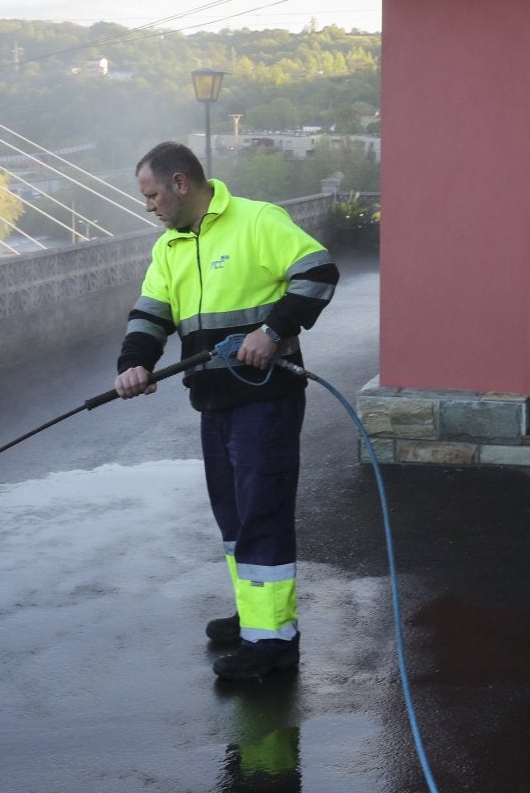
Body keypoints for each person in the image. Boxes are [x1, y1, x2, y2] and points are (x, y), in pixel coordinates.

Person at [115, 141, 337, 680]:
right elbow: (151, 312)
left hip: (266, 398)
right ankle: (255, 617)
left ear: (180, 184)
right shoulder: (170, 247)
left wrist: (272, 331)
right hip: (213, 401)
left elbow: (319, 272)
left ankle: (273, 644)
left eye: (151, 195)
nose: (149, 206)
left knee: (261, 512)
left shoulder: (257, 221)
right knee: (234, 518)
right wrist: (134, 363)